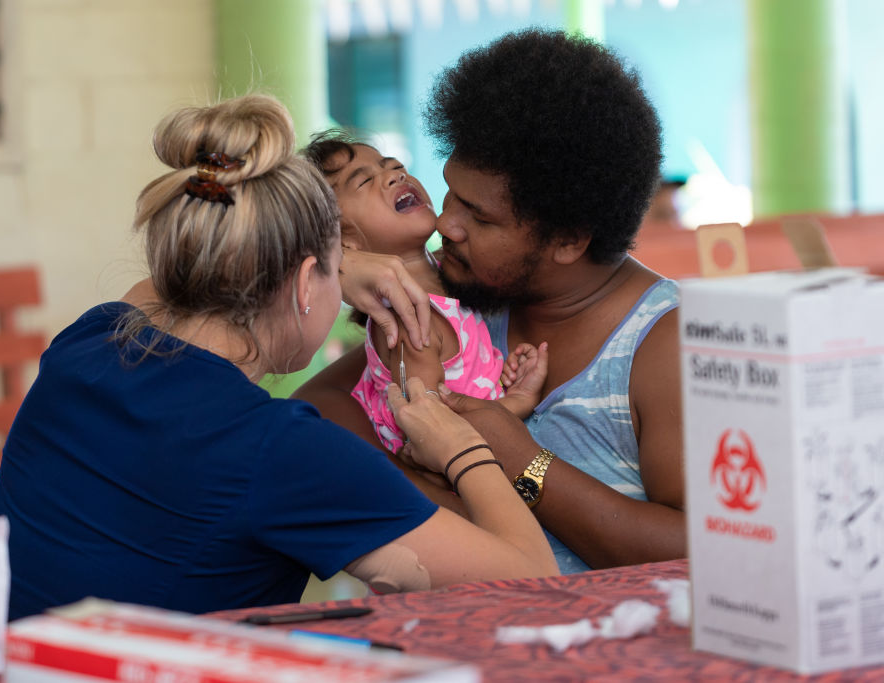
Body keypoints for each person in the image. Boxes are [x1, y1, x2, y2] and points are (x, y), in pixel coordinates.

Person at [0, 94, 557, 621]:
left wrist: (338, 263)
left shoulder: (92, 340)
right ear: (308, 281)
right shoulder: (279, 451)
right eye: (337, 270)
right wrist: (464, 448)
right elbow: (532, 582)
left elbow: (166, 287)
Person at [294, 29, 685, 574]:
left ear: (569, 239)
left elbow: (702, 552)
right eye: (451, 191)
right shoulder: (469, 294)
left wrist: (521, 458)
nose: (447, 225)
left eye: (479, 216)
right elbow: (313, 416)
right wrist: (335, 264)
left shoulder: (665, 341)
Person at [302, 132, 548, 454]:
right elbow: (434, 436)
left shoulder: (447, 273)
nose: (395, 175)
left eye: (394, 166)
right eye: (364, 182)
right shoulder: (413, 321)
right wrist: (517, 402)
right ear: (345, 244)